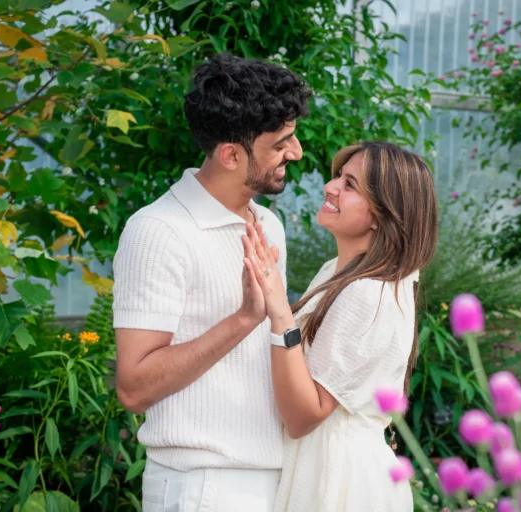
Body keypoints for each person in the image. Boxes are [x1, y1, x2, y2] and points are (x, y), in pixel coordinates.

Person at [112, 53, 311, 512]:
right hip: (203, 487)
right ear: (230, 155)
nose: (296, 153)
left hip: (273, 479)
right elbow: (134, 387)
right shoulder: (158, 230)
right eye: (281, 142)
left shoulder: (267, 226)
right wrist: (244, 318)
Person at [241, 141, 439, 512]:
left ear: (383, 214)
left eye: (350, 185)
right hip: (324, 464)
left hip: (339, 480)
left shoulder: (368, 293)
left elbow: (304, 416)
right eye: (338, 177)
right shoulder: (337, 273)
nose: (330, 188)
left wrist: (279, 310)